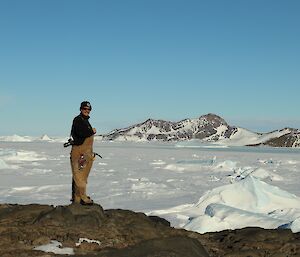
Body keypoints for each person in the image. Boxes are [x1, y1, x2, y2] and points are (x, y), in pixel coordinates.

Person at [70, 101, 96, 205]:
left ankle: (77, 198)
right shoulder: (78, 120)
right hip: (79, 153)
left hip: (86, 153)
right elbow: (80, 133)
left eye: (88, 109)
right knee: (79, 176)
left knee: (82, 176)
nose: (87, 111)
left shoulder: (85, 121)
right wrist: (91, 131)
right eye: (85, 109)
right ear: (81, 109)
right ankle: (83, 198)